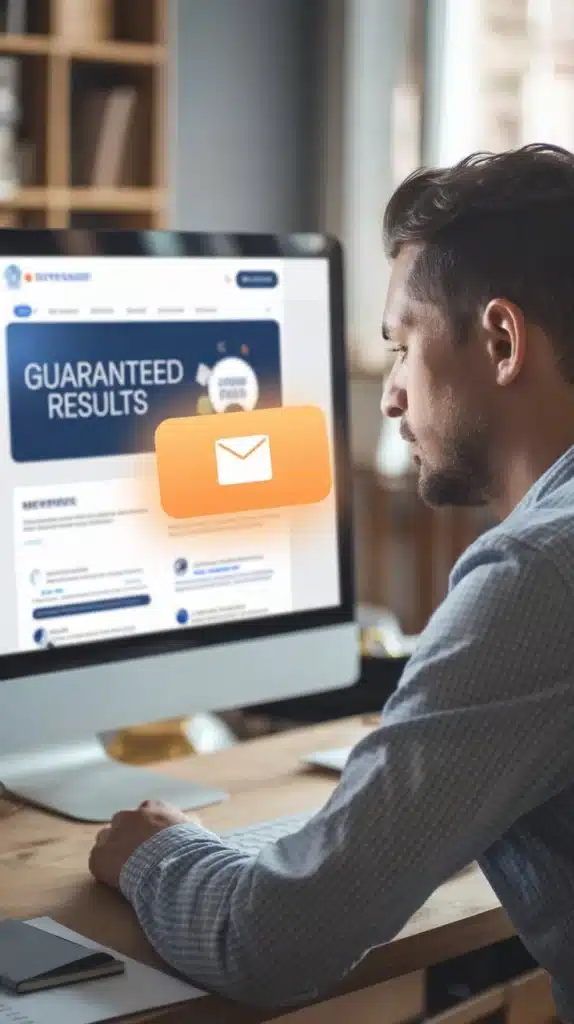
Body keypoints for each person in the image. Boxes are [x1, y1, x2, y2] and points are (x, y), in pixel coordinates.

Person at [89, 143, 574, 1021]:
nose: (391, 396)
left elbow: (270, 942)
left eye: (402, 345)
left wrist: (156, 854)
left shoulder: (540, 571)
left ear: (501, 341)